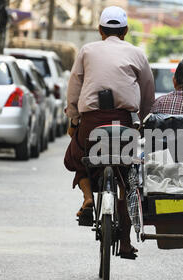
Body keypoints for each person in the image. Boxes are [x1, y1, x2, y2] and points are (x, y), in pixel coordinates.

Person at [64, 6, 155, 259]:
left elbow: (74, 87)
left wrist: (73, 117)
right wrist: (144, 120)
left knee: (79, 154)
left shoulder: (87, 51)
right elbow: (148, 93)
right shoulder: (137, 53)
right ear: (125, 31)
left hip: (91, 122)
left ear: (100, 30)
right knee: (125, 180)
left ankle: (87, 199)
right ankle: (124, 244)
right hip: (123, 124)